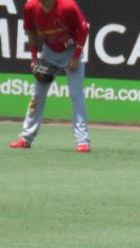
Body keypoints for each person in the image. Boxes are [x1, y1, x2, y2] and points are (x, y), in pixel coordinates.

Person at [9, 0, 91, 153]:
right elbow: (30, 31)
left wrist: (75, 57)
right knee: (37, 96)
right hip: (49, 53)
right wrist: (34, 59)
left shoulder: (67, 6)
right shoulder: (31, 7)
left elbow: (83, 29)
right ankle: (25, 138)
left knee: (76, 95)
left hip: (71, 51)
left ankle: (83, 141)